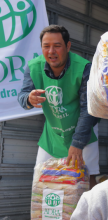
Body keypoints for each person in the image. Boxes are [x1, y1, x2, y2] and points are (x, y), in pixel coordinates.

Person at [18, 25, 100, 188]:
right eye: (46, 46)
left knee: (86, 180)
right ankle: (43, 214)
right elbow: (22, 96)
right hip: (52, 135)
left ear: (68, 46)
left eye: (57, 46)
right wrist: (29, 99)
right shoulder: (34, 67)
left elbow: (89, 110)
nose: (51, 51)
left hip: (82, 132)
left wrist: (77, 143)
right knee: (40, 182)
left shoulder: (84, 68)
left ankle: (90, 214)